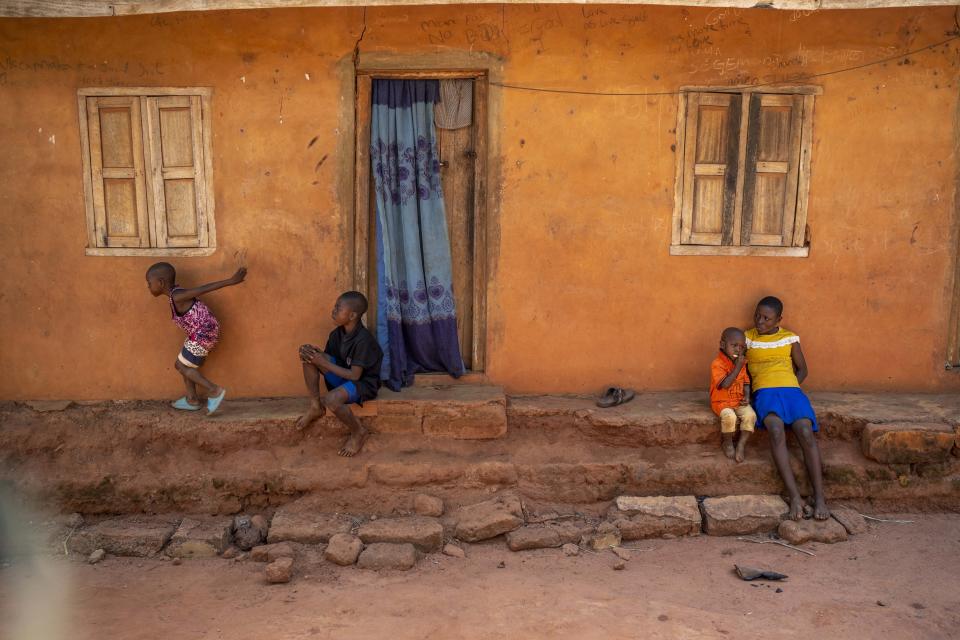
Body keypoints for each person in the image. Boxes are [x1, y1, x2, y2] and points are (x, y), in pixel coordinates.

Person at [745, 296, 829, 521]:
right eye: (757, 316)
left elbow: (803, 370)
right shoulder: (747, 338)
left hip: (791, 391)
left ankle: (819, 497)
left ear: (778, 320)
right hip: (764, 392)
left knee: (804, 430)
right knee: (774, 428)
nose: (760, 321)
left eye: (766, 318)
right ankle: (794, 497)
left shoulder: (789, 338)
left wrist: (791, 387)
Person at [146, 262, 247, 415]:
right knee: (185, 366)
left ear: (160, 283)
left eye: (149, 283)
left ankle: (214, 390)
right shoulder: (174, 295)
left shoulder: (177, 295)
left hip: (204, 333)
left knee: (181, 366)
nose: (148, 287)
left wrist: (230, 281)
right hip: (200, 333)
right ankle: (192, 399)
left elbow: (202, 289)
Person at [296, 291, 383, 457]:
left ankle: (358, 432)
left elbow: (355, 376)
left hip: (362, 385)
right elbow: (330, 361)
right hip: (343, 378)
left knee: (331, 399)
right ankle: (315, 407)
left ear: (352, 315)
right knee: (309, 356)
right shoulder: (336, 334)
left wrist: (324, 362)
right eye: (335, 307)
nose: (333, 311)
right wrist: (316, 354)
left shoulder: (364, 340)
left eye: (338, 308)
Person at [710, 327, 756, 462]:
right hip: (721, 402)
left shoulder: (741, 363)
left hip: (738, 400)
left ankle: (741, 444)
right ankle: (728, 442)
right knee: (729, 417)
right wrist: (737, 367)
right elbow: (725, 384)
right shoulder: (717, 364)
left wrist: (747, 397)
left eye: (741, 347)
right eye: (734, 345)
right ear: (722, 345)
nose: (738, 350)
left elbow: (746, 383)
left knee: (750, 415)